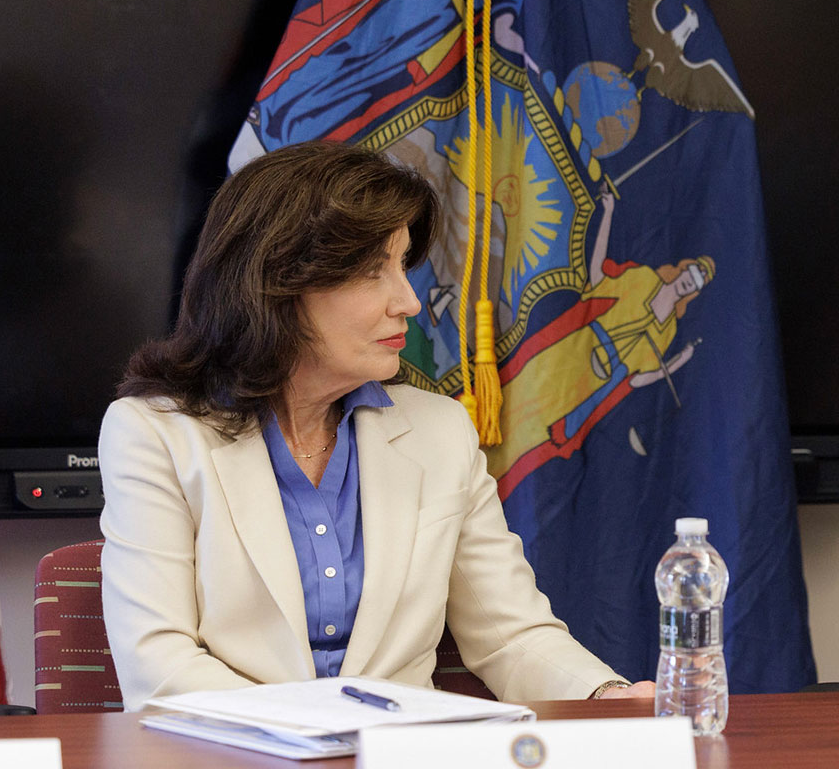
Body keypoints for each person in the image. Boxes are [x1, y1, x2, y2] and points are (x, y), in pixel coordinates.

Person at [98, 142, 654, 710]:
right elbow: (158, 665)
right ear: (279, 284)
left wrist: (609, 695)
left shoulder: (442, 432)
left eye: (402, 265)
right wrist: (323, 729)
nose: (409, 301)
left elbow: (512, 634)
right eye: (372, 272)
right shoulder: (154, 433)